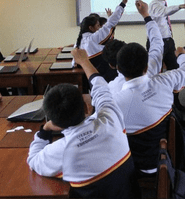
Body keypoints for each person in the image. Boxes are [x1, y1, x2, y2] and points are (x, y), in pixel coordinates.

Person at [27, 48, 137, 199]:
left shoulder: (62, 150)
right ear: (87, 107)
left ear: (56, 123)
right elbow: (101, 89)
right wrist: (84, 61)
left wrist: (45, 130)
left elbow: (33, 160)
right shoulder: (111, 117)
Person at [112, 38, 185, 176]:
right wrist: (182, 55)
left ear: (118, 69)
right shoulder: (165, 81)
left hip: (136, 167)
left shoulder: (116, 103)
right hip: (167, 158)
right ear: (146, 67)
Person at [148, 0, 185, 112]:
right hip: (156, 43)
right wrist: (180, 6)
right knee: (155, 74)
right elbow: (164, 12)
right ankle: (157, 106)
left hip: (168, 41)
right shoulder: (154, 5)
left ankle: (175, 103)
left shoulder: (163, 2)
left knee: (174, 70)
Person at [103, 0, 164, 94]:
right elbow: (157, 42)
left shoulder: (112, 89)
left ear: (113, 66)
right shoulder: (151, 67)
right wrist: (146, 15)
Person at [75, 0, 130, 82]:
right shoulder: (94, 38)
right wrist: (123, 3)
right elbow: (110, 24)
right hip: (104, 75)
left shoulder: (80, 40)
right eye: (98, 25)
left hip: (89, 76)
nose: (100, 27)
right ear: (91, 28)